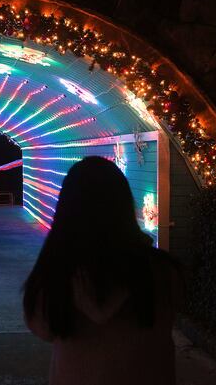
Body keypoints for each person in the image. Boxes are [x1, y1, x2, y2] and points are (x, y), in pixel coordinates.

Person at [23, 156, 182, 385]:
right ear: (125, 206)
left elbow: (41, 327)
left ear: (67, 209)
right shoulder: (162, 270)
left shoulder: (59, 274)